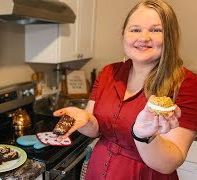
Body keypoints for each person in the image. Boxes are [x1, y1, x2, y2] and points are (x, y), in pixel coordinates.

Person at [53, 0, 197, 179]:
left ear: (170, 37)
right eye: (135, 29)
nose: (143, 38)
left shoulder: (186, 83)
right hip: (97, 171)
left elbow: (170, 163)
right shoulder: (108, 72)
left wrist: (142, 136)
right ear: (124, 35)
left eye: (156, 30)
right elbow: (97, 129)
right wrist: (86, 119)